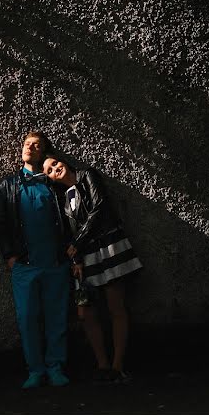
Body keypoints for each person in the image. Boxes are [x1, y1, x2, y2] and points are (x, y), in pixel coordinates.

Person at [43, 154, 142, 384]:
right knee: (85, 311)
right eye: (49, 170)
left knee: (115, 304)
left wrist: (77, 243)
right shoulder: (64, 199)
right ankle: (102, 365)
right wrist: (76, 257)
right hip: (86, 255)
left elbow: (100, 207)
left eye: (55, 163)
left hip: (108, 246)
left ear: (64, 162)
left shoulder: (87, 175)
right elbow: (70, 230)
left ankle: (117, 367)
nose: (55, 168)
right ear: (50, 179)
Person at [0, 131, 73, 389]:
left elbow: (70, 217)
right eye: (27, 143)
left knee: (57, 317)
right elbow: (1, 223)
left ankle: (55, 367)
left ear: (43, 153)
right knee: (27, 318)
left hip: (56, 263)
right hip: (25, 265)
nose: (30, 147)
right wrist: (10, 256)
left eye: (36, 145)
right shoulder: (8, 185)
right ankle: (35, 370)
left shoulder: (53, 183)